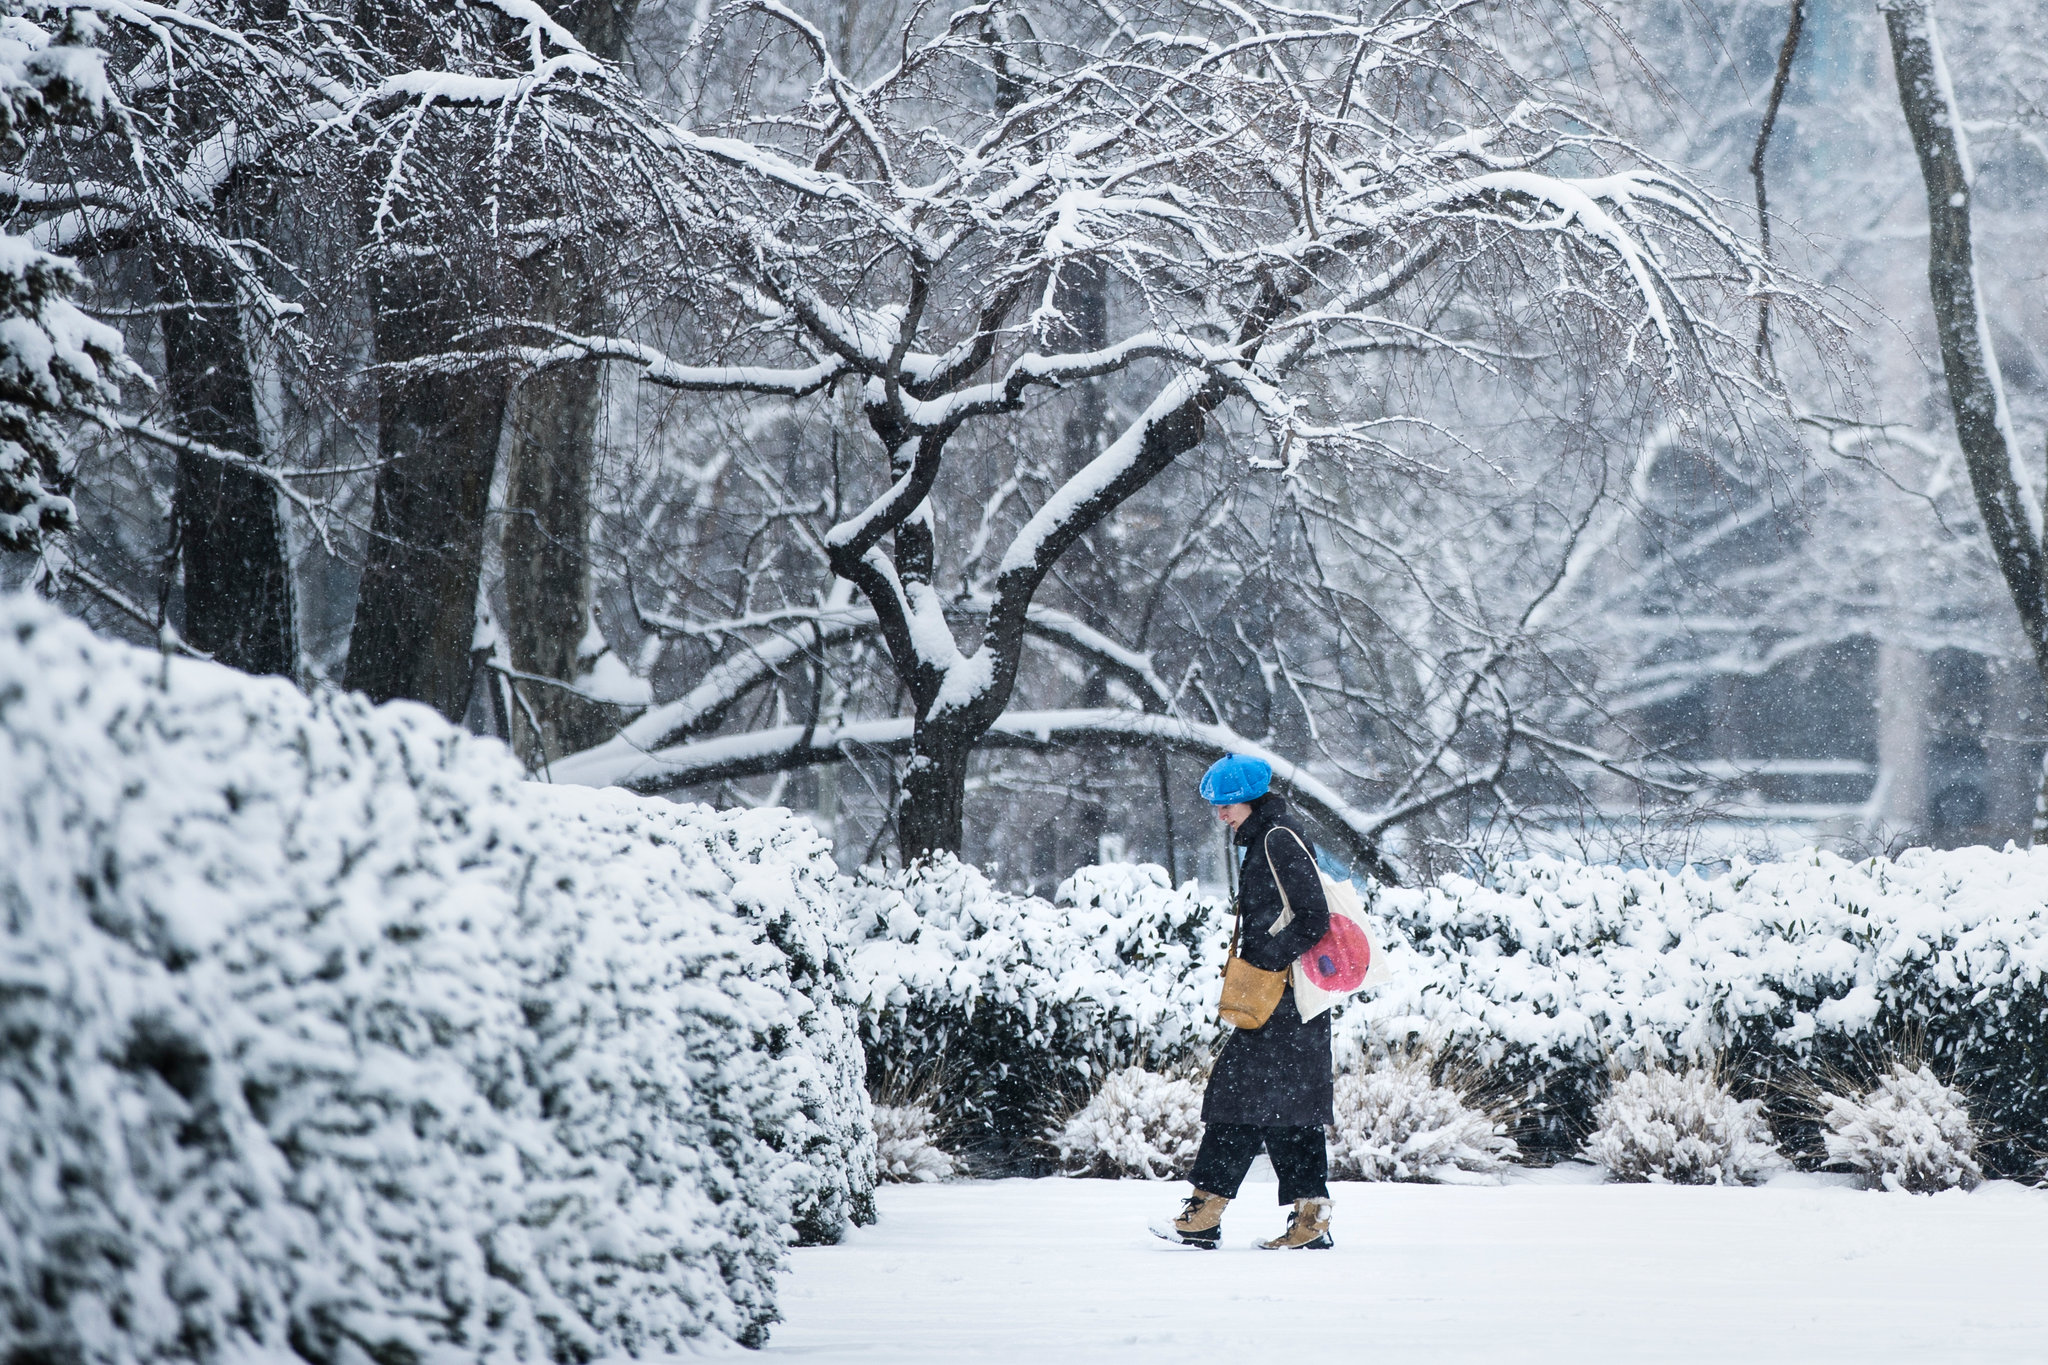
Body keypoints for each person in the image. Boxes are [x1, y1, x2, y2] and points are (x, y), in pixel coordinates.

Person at [1152, 753, 1335, 1250]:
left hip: (1283, 998)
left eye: (1227, 805)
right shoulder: (1270, 836)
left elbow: (1313, 916)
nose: (1220, 815)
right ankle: (1308, 1223)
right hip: (1289, 1001)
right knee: (1287, 1109)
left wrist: (1266, 964)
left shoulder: (1277, 839)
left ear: (1250, 800)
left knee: (1238, 1100)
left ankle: (1203, 1217)